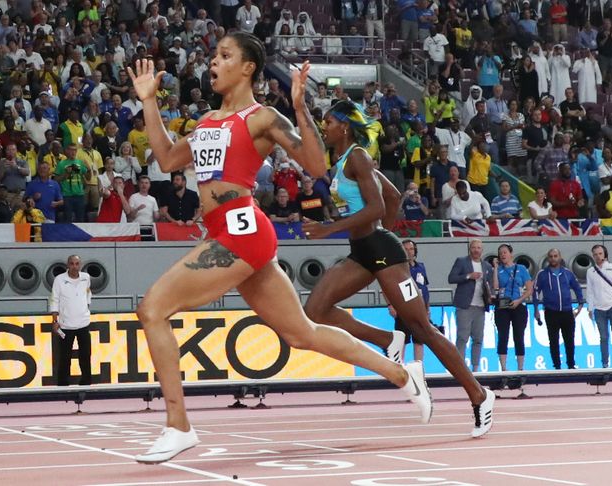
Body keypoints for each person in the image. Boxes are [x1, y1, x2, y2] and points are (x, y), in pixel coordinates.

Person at [127, 36, 433, 464]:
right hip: (224, 231)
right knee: (301, 333)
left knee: (153, 308)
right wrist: (149, 102)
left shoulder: (262, 117)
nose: (214, 63)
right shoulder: (205, 122)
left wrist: (300, 105)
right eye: (214, 57)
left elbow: (316, 166)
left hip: (241, 230)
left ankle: (179, 426)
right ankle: (402, 373)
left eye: (224, 56)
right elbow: (164, 159)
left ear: (248, 68)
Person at [301, 99, 492, 437]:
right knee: (315, 309)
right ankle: (387, 338)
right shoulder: (347, 159)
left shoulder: (357, 156)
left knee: (424, 330)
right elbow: (392, 196)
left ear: (344, 126)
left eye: (328, 122)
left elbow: (375, 207)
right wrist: (379, 232)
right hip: (364, 251)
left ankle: (479, 395)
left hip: (383, 253)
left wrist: (335, 228)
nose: (324, 127)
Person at [532, 249, 584, 370]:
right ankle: (557, 366)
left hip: (567, 311)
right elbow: (535, 292)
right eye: (551, 256)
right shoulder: (542, 274)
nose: (553, 258)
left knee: (569, 340)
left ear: (560, 257)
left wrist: (580, 304)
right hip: (551, 312)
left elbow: (577, 288)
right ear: (548, 258)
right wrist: (536, 308)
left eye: (555, 256)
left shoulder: (567, 273)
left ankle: (571, 365)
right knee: (553, 341)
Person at [448, 239, 493, 372]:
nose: (476, 250)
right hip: (465, 306)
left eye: (479, 248)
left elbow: (489, 284)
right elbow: (451, 278)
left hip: (480, 306)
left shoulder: (486, 266)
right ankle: (460, 368)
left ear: (482, 250)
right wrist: (468, 276)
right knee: (462, 337)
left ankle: (475, 368)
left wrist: (490, 296)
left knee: (478, 338)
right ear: (470, 249)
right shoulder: (461, 261)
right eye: (474, 247)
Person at [389, 239, 438, 362]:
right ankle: (399, 368)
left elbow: (425, 288)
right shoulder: (396, 268)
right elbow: (387, 287)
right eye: (405, 249)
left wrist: (427, 308)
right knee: (402, 340)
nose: (409, 252)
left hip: (419, 309)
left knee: (419, 340)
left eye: (411, 249)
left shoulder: (420, 266)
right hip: (403, 308)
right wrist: (391, 305)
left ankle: (418, 368)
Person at [50, 255, 93, 386]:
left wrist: (86, 308)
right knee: (64, 357)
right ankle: (63, 384)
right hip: (65, 325)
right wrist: (54, 321)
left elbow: (88, 294)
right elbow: (54, 299)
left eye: (77, 264)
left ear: (80, 265)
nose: (74, 266)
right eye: (72, 264)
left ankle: (86, 382)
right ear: (67, 265)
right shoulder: (59, 280)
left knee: (85, 355)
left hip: (83, 323)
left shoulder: (86, 278)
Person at [492, 244, 534, 371]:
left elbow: (529, 289)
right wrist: (495, 268)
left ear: (511, 254)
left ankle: (520, 368)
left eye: (505, 252)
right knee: (503, 336)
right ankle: (504, 368)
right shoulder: (499, 270)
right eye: (501, 253)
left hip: (518, 305)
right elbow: (495, 287)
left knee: (519, 336)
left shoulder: (521, 269)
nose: (503, 255)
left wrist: (519, 300)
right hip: (503, 306)